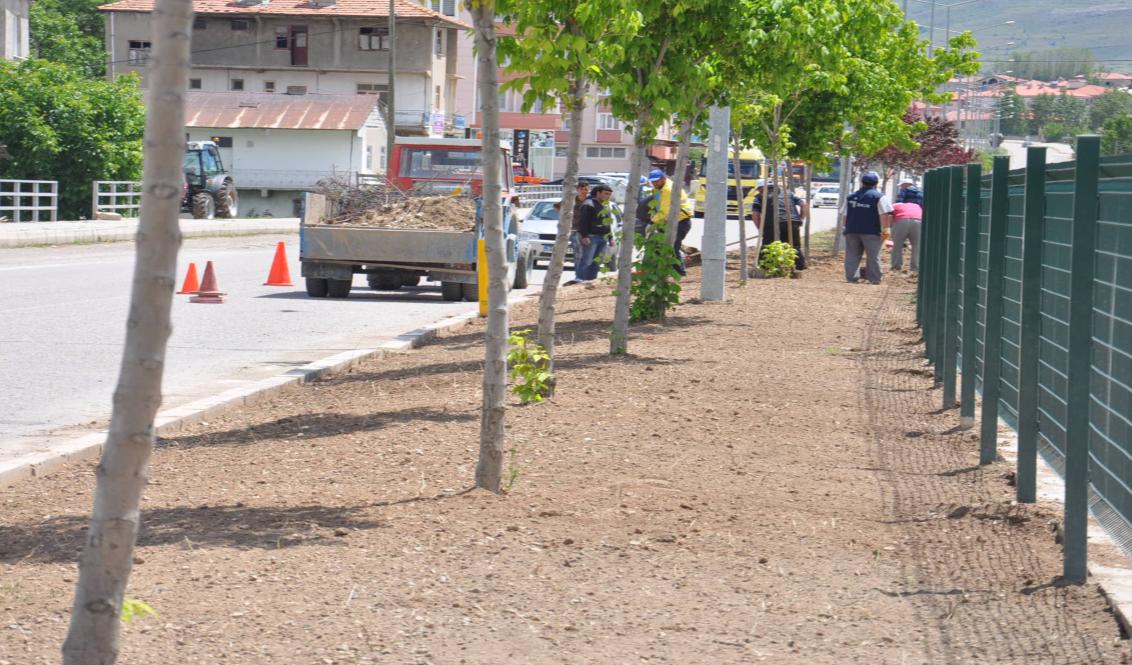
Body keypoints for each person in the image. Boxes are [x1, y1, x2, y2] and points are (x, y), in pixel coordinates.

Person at [841, 170, 894, 285]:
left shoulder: (850, 197)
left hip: (851, 230)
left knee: (852, 255)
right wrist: (886, 229)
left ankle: (851, 278)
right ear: (876, 183)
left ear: (861, 182)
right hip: (871, 232)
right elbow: (884, 214)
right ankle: (874, 279)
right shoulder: (879, 197)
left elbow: (845, 215)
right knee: (873, 256)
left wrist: (845, 227)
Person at [750, 179, 808, 270]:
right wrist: (799, 219)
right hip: (792, 222)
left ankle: (765, 267)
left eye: (758, 189)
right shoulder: (789, 193)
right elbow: (803, 205)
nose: (758, 191)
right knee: (794, 246)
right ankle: (800, 266)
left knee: (768, 246)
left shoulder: (759, 197)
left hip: (771, 224)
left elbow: (755, 215)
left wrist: (760, 229)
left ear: (762, 188)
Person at [646, 168, 693, 275]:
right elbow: (658, 204)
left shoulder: (668, 189)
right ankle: (662, 271)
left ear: (663, 178)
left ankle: (680, 272)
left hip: (681, 221)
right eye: (652, 181)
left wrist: (652, 221)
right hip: (667, 222)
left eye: (656, 181)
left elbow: (665, 211)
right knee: (659, 246)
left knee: (672, 247)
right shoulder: (658, 188)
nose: (654, 183)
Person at [576, 184, 617, 281]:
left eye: (609, 195)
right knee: (587, 260)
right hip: (591, 237)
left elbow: (608, 223)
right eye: (605, 194)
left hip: (603, 237)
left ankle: (591, 280)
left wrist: (611, 238)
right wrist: (585, 236)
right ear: (598, 193)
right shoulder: (588, 204)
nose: (607, 196)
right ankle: (580, 279)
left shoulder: (606, 205)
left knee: (597, 261)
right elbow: (583, 221)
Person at [564, 181, 590, 285]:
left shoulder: (590, 200)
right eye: (582, 189)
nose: (584, 191)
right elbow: (557, 207)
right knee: (578, 254)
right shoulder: (572, 200)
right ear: (578, 190)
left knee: (587, 255)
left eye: (586, 189)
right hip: (575, 230)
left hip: (588, 231)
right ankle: (578, 276)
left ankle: (585, 276)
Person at [889, 200, 922, 272]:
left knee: (897, 245)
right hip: (918, 221)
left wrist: (890, 227)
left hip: (901, 220)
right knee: (917, 246)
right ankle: (915, 268)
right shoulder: (917, 206)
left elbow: (889, 217)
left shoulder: (894, 205)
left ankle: (896, 267)